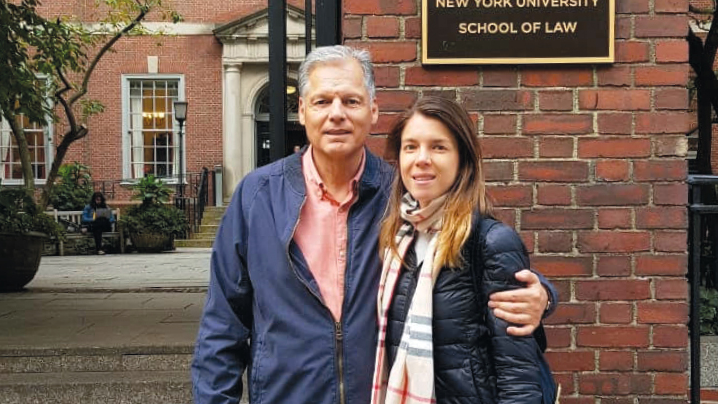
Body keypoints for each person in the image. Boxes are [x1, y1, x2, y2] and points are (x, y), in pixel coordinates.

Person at [191, 45, 556, 404]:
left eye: (351, 101)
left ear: (373, 110)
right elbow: (223, 325)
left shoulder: (401, 196)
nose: (336, 114)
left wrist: (541, 294)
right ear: (301, 111)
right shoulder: (257, 196)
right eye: (322, 102)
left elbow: (471, 246)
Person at [371, 96, 549, 404]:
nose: (421, 158)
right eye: (410, 146)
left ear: (462, 159)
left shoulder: (491, 242)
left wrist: (545, 296)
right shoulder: (398, 240)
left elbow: (517, 373)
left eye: (438, 147)